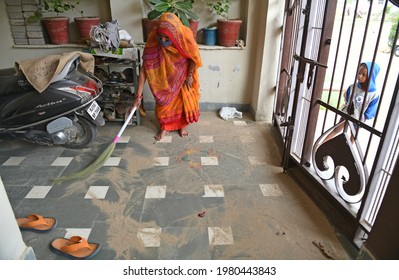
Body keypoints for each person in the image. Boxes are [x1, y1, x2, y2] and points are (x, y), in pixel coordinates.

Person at [132, 12, 202, 141]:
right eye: (161, 37)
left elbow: (194, 58)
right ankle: (164, 127)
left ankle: (181, 126)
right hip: (163, 81)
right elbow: (144, 69)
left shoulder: (185, 35)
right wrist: (138, 96)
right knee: (163, 104)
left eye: (167, 38)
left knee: (182, 102)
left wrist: (189, 75)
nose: (163, 41)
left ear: (175, 35)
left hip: (183, 75)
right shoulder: (153, 38)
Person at [324, 61, 380, 143]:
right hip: (346, 114)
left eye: (364, 75)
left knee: (352, 137)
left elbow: (371, 110)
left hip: (358, 120)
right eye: (359, 73)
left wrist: (363, 118)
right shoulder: (352, 87)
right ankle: (321, 145)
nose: (360, 76)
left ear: (371, 77)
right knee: (336, 130)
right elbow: (347, 97)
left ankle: (345, 153)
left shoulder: (373, 95)